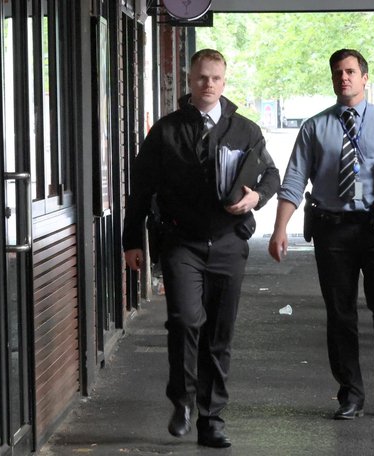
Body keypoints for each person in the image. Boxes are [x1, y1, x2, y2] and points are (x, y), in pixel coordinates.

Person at [122, 48, 280, 448]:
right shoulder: (166, 130)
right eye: (200, 78)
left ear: (225, 82)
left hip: (228, 242)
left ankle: (212, 418)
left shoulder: (245, 130)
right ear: (189, 80)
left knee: (219, 334)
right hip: (181, 243)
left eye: (215, 78)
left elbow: (272, 174)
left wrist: (256, 199)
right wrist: (130, 241)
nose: (207, 84)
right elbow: (140, 188)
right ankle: (183, 402)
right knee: (185, 320)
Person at [268, 49, 374, 420]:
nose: (344, 77)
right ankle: (350, 393)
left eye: (351, 71)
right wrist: (279, 229)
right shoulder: (314, 127)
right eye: (338, 72)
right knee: (340, 314)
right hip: (333, 230)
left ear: (364, 78)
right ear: (333, 78)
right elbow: (294, 179)